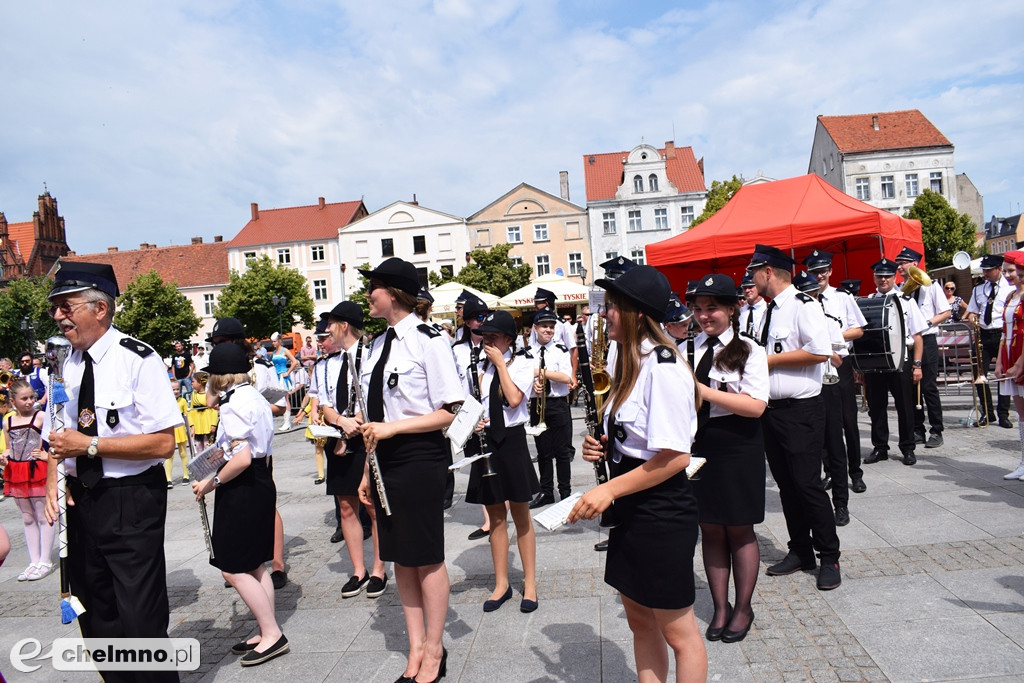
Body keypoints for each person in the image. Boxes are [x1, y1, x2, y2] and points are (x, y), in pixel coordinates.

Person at [568, 265, 708, 683]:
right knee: (640, 621)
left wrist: (609, 489)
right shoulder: (631, 360)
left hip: (661, 511)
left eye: (613, 306)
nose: (605, 314)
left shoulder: (662, 365)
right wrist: (603, 446)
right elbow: (637, 438)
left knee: (678, 632)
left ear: (636, 312)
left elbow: (675, 457)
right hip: (633, 505)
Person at [43, 262, 181, 683]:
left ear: (99, 308)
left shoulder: (138, 359)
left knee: (140, 618)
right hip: (82, 498)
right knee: (96, 613)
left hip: (130, 499)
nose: (58, 316)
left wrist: (91, 446)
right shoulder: (69, 363)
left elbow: (163, 443)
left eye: (66, 307)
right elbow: (60, 430)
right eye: (56, 309)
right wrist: (54, 476)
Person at [357, 257, 463, 683]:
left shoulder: (428, 339)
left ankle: (435, 649)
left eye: (374, 288)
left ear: (395, 292)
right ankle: (416, 645)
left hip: (419, 456)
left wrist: (393, 429)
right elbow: (372, 417)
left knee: (427, 556)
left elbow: (449, 411)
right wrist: (367, 470)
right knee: (400, 556)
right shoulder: (377, 344)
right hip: (383, 458)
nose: (368, 295)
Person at [746, 245, 841, 591]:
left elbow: (819, 351)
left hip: (801, 410)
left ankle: (829, 556)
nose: (751, 277)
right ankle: (801, 549)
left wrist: (767, 362)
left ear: (768, 271)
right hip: (772, 410)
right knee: (787, 486)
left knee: (808, 485)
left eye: (754, 270)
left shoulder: (804, 305)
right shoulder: (768, 310)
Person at [192, 342, 289, 666]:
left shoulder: (233, 404)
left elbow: (241, 458)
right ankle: (267, 628)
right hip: (260, 480)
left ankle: (272, 633)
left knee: (232, 567)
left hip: (243, 486)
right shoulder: (252, 397)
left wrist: (210, 482)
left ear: (219, 376)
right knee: (254, 564)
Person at [688, 274, 768, 643]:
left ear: (732, 309)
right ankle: (720, 606)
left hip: (738, 444)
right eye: (698, 309)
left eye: (712, 309)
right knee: (710, 527)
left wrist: (704, 391)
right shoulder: (687, 347)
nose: (704, 316)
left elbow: (755, 406)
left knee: (738, 527)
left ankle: (743, 607)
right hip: (699, 444)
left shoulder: (749, 349)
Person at [465, 310, 540, 612]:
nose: (488, 341)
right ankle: (501, 584)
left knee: (521, 514)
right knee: (496, 515)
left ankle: (530, 585)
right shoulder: (478, 367)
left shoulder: (522, 363)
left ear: (509, 339)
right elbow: (472, 402)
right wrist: (473, 421)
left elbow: (513, 399)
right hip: (487, 442)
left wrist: (499, 364)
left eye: (494, 337)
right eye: (485, 336)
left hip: (511, 442)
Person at [209, 318, 290, 589]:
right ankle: (250, 566)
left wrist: (256, 407)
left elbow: (280, 404)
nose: (219, 347)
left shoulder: (261, 366)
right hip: (234, 439)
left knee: (264, 506)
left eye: (222, 343)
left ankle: (275, 562)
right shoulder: (220, 370)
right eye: (216, 344)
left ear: (237, 341)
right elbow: (211, 401)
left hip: (254, 445)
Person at [320, 301, 388, 599]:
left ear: (343, 325)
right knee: (346, 507)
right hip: (339, 438)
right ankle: (358, 569)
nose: (326, 331)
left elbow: (378, 399)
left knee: (372, 505)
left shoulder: (371, 355)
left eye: (330, 324)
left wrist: (355, 422)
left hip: (368, 438)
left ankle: (379, 569)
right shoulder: (329, 363)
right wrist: (340, 421)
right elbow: (324, 405)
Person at [806, 255, 868, 497]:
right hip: (818, 364)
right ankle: (830, 470)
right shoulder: (804, 298)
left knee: (848, 422)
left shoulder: (842, 297)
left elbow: (859, 329)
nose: (819, 275)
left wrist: (832, 338)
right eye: (814, 271)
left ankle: (855, 472)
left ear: (830, 271)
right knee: (822, 421)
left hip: (840, 361)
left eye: (823, 271)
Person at [862, 258, 927, 466]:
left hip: (901, 360)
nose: (883, 279)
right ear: (874, 277)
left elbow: (917, 336)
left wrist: (917, 364)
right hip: (875, 361)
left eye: (887, 276)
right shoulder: (867, 300)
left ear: (894, 277)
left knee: (905, 406)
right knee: (876, 406)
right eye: (879, 276)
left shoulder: (906, 300)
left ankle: (908, 447)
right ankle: (880, 447)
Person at [894, 247, 950, 447]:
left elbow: (945, 312)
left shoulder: (931, 286)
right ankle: (918, 429)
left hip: (926, 340)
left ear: (915, 264)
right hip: (909, 342)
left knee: (928, 387)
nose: (899, 267)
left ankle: (937, 430)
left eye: (903, 263)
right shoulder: (900, 289)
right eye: (898, 263)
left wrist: (926, 323)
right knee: (911, 389)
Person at [1, 379, 54, 581]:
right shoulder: (8, 422)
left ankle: (45, 560)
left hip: (37, 470)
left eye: (32, 397)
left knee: (43, 515)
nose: (30, 401)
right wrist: (5, 455)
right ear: (13, 401)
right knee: (27, 517)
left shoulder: (41, 417)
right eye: (24, 399)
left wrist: (46, 456)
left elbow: (53, 445)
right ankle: (33, 561)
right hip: (16, 471)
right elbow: (8, 446)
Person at [452, 295, 495, 541]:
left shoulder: (495, 346)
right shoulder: (457, 351)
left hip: (492, 414)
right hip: (470, 415)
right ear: (468, 322)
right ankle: (488, 520)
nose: (482, 322)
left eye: (484, 317)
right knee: (478, 466)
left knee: (498, 465)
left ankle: (499, 514)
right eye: (477, 318)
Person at [527, 309, 575, 509]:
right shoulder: (527, 353)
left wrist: (541, 373)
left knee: (562, 452)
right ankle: (546, 491)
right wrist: (533, 385)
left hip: (557, 404)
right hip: (538, 405)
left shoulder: (561, 350)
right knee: (543, 452)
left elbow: (567, 378)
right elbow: (520, 380)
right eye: (544, 326)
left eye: (551, 327)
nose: (548, 330)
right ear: (535, 328)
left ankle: (565, 492)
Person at [968, 254, 1015, 427]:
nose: (985, 273)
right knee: (979, 373)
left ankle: (1003, 413)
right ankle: (987, 413)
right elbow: (973, 310)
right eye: (984, 270)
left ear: (999, 269)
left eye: (988, 270)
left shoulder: (1009, 288)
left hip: (1002, 334)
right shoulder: (978, 289)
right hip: (984, 334)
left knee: (1003, 374)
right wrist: (973, 320)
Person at [995, 251, 1024, 479]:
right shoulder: (1010, 297)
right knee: (1021, 414)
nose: (1008, 275)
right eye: (1005, 271)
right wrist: (999, 361)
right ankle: (1023, 462)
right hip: (1010, 354)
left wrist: (1019, 362)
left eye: (1011, 271)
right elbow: (1004, 332)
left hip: (1021, 357)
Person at [165, 380, 191, 488]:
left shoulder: (183, 401)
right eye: (173, 389)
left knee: (183, 453)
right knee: (169, 455)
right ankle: (168, 479)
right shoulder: (165, 401)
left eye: (177, 389)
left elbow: (187, 415)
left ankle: (186, 475)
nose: (176, 391)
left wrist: (190, 427)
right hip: (170, 429)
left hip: (180, 429)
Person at [738, 272, 767, 338]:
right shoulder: (740, 311)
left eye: (750, 287)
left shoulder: (768, 309)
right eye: (744, 288)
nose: (747, 290)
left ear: (759, 286)